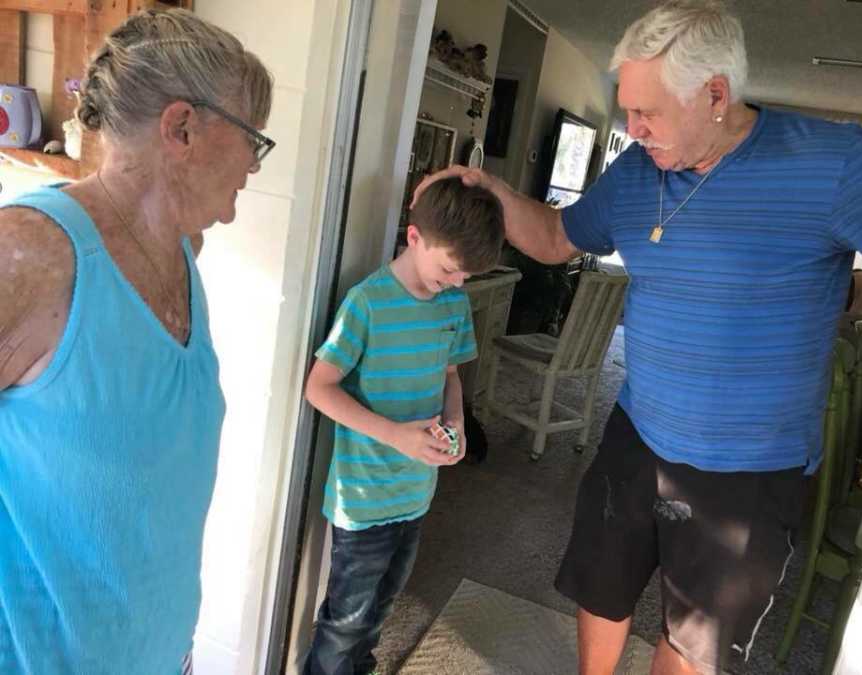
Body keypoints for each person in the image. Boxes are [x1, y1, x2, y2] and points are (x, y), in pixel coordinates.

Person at [414, 1, 862, 673]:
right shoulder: (638, 172)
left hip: (750, 470)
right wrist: (490, 190)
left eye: (648, 112)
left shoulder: (832, 162)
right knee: (602, 581)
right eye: (627, 109)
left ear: (716, 96)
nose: (632, 127)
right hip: (637, 431)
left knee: (694, 638)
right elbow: (556, 238)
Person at [0, 9, 274, 675]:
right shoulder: (32, 254)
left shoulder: (185, 249)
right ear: (181, 127)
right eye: (253, 142)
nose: (256, 166)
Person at [302, 177, 505, 675]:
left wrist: (456, 422)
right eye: (450, 269)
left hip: (416, 493)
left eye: (466, 276)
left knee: (381, 609)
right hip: (365, 497)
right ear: (414, 238)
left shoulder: (453, 305)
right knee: (345, 620)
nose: (457, 283)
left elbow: (450, 375)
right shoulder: (367, 303)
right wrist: (396, 436)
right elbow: (318, 388)